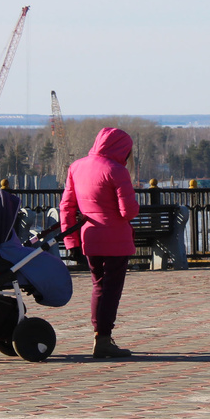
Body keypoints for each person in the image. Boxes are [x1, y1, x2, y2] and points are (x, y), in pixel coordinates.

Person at [59, 127, 140, 358]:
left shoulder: (76, 167)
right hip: (115, 239)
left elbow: (66, 207)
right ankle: (104, 338)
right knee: (112, 290)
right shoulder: (117, 171)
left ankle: (99, 334)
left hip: (89, 237)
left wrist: (70, 242)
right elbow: (127, 212)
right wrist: (135, 205)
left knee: (98, 286)